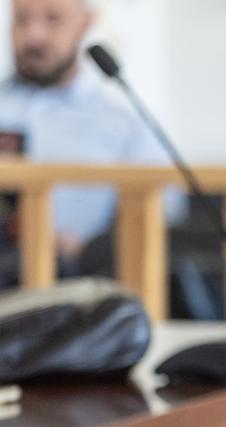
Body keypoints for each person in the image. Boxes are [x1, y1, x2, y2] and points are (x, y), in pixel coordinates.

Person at [0, 0, 181, 274]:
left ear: (85, 22)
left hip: (82, 282)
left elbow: (163, 212)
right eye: (22, 19)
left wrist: (87, 249)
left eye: (52, 19)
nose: (33, 35)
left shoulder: (126, 123)